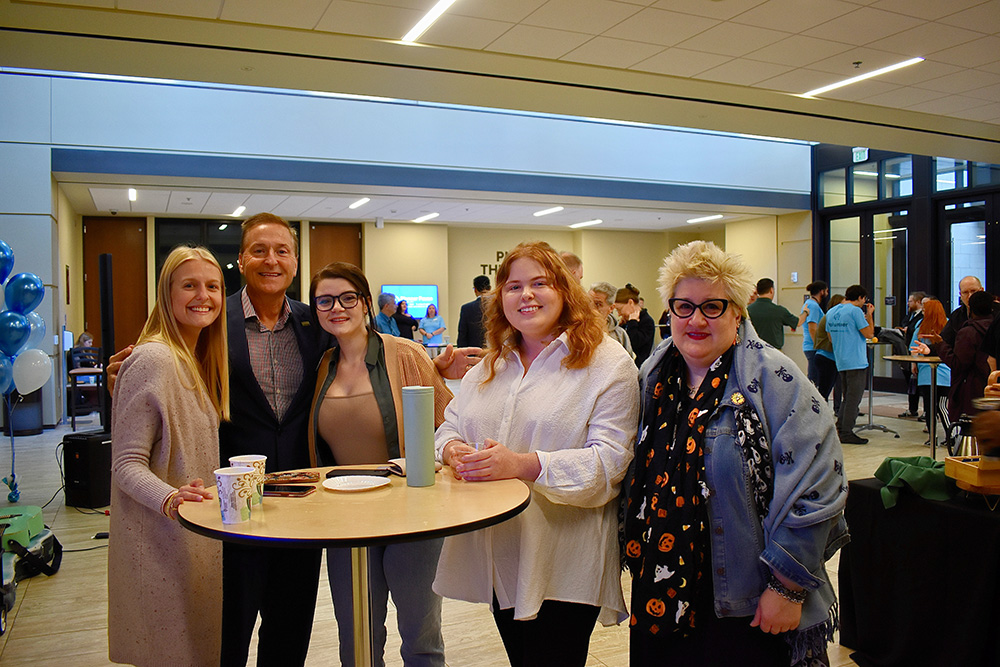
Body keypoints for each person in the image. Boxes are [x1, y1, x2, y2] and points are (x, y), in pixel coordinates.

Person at [106, 213, 484, 667]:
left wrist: (431, 367)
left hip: (307, 507)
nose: (271, 260)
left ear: (295, 261)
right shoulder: (212, 322)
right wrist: (122, 376)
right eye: (259, 250)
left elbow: (367, 357)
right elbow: (167, 369)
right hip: (240, 510)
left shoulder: (314, 325)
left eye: (282, 250)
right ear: (242, 260)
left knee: (290, 634)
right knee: (229, 635)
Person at [625, 240, 846, 667]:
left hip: (747, 598)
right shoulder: (653, 373)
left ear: (737, 311)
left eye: (712, 307)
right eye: (683, 306)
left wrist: (787, 588)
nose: (695, 319)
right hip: (661, 586)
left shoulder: (777, 380)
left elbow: (819, 488)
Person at [434, 241, 639, 667]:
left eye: (539, 283)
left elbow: (609, 464)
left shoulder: (607, 364)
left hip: (563, 558)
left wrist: (522, 465)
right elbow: (450, 424)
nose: (525, 295)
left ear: (565, 290)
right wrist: (453, 450)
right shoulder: (494, 362)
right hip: (500, 554)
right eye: (513, 286)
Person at [307, 262, 452, 666]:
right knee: (357, 640)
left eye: (347, 297)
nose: (337, 307)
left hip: (411, 518)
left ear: (367, 303)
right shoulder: (322, 367)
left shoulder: (405, 353)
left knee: (421, 638)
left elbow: (448, 424)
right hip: (345, 520)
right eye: (325, 300)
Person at [108, 246, 229, 667]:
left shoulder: (191, 359)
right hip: (160, 545)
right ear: (167, 293)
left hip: (190, 545)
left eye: (212, 286)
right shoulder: (154, 359)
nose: (204, 295)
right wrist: (171, 499)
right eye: (190, 285)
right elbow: (125, 464)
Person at [914, 291, 993, 423]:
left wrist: (940, 345)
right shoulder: (991, 326)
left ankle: (953, 439)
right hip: (991, 384)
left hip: (971, 388)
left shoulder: (969, 332)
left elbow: (958, 363)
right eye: (965, 292)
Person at [825, 285, 875, 445]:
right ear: (860, 298)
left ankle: (840, 427)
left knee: (847, 398)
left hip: (841, 359)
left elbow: (830, 337)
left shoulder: (832, 311)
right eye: (864, 300)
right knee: (854, 399)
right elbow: (869, 334)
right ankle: (846, 432)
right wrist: (870, 316)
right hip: (856, 360)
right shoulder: (855, 311)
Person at [909, 298, 951, 438]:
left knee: (930, 407)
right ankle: (951, 436)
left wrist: (914, 364)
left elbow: (913, 348)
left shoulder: (921, 326)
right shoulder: (948, 324)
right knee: (943, 406)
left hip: (926, 372)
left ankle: (933, 438)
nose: (924, 312)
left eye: (926, 309)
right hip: (945, 372)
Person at [940, 276, 999, 347]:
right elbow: (946, 340)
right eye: (965, 292)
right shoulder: (957, 315)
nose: (970, 296)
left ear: (982, 290)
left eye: (973, 291)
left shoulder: (997, 311)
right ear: (960, 295)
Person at [895, 291, 925, 418]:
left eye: (910, 301)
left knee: (921, 384)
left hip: (919, 353)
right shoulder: (910, 316)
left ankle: (927, 411)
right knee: (911, 383)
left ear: (919, 302)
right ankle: (912, 408)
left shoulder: (922, 318)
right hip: (907, 351)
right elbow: (904, 324)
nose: (908, 303)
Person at [812, 294, 844, 410]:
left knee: (832, 387)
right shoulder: (831, 318)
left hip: (830, 358)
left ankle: (836, 409)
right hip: (827, 358)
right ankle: (820, 412)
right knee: (824, 390)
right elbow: (833, 339)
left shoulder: (829, 317)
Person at [746, 278, 798, 350]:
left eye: (754, 293)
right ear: (771, 290)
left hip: (754, 350)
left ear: (758, 292)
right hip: (774, 351)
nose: (752, 296)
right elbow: (797, 322)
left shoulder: (747, 311)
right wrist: (806, 312)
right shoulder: (779, 311)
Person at [590, 281, 635, 360]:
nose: (591, 308)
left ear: (611, 308)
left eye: (598, 304)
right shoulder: (576, 331)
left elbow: (628, 365)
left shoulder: (620, 335)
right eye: (588, 302)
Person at [615, 283, 655, 368]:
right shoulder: (626, 322)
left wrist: (632, 323)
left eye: (620, 309)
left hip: (638, 368)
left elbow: (633, 343)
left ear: (630, 303)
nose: (619, 314)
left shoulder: (647, 321)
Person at [798, 281, 828, 385]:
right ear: (822, 291)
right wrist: (818, 344)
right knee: (814, 378)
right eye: (826, 291)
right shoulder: (813, 306)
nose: (827, 294)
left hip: (811, 346)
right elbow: (812, 327)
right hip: (813, 347)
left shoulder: (810, 304)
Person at [457, 274, 490, 348]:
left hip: (474, 354)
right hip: (496, 354)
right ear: (490, 288)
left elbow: (462, 336)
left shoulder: (466, 308)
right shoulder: (499, 307)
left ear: (475, 290)